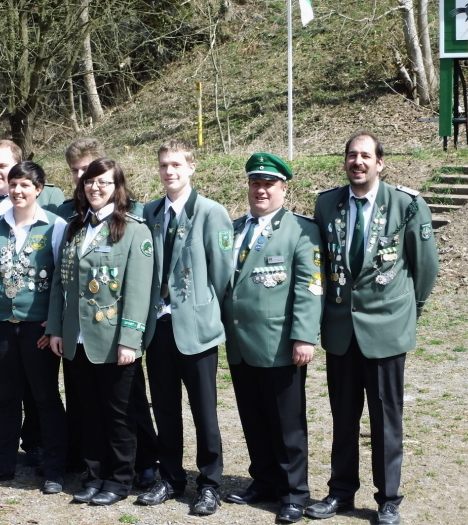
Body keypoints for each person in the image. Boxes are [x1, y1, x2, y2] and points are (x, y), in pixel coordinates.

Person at [307, 132, 439, 525]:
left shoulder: (406, 204)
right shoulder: (327, 203)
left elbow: (425, 266)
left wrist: (410, 311)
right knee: (343, 419)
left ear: (380, 163)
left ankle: (388, 499)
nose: (358, 162)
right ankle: (340, 492)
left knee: (386, 421)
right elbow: (323, 263)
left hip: (386, 329)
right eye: (352, 155)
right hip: (341, 331)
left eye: (366, 156)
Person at [222, 153, 324, 523]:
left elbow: (310, 286)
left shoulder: (301, 230)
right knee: (253, 418)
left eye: (268, 184)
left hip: (281, 344)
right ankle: (264, 480)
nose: (261, 190)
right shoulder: (233, 228)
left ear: (283, 189)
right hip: (240, 343)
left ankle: (294, 493)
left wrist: (304, 336)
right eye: (255, 183)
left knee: (287, 425)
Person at [46, 158, 154, 506]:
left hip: (112, 340)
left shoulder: (134, 230)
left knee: (118, 416)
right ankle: (94, 476)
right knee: (88, 413)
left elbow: (138, 292)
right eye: (90, 181)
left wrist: (130, 340)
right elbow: (61, 284)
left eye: (104, 182)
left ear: (117, 188)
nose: (95, 187)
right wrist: (56, 329)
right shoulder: (75, 227)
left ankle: (120, 480)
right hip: (76, 338)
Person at [137, 139, 233, 516]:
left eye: (176, 164)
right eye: (164, 165)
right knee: (165, 408)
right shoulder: (150, 212)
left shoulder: (211, 212)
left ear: (191, 167)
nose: (169, 171)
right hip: (159, 326)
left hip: (196, 328)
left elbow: (222, 275)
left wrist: (211, 316)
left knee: (204, 411)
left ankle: (210, 484)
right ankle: (171, 477)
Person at [0, 161, 68, 493]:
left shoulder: (55, 226)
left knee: (45, 398)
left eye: (25, 185)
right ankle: (2, 465)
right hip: (0, 325)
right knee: (7, 398)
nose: (17, 190)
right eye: (13, 184)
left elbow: (63, 279)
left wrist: (55, 322)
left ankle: (54, 470)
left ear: (38, 189)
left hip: (37, 329)